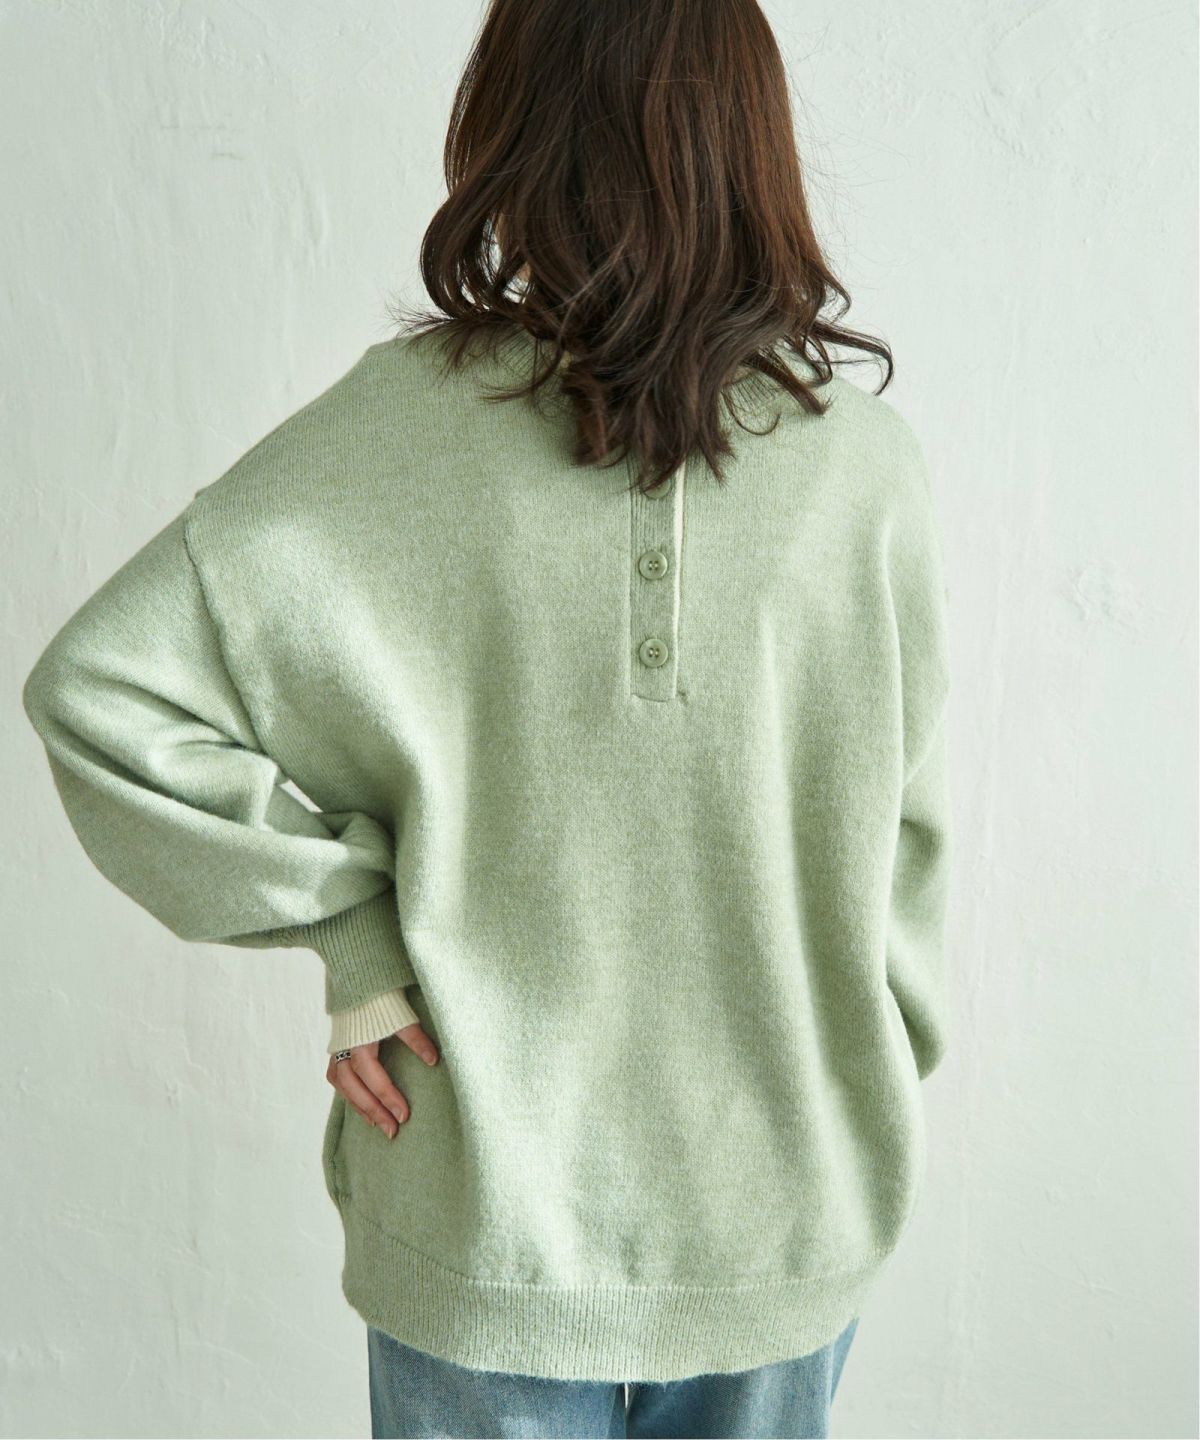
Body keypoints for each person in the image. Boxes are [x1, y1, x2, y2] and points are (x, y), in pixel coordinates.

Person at [20, 1, 953, 1436]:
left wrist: (354, 939)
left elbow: (102, 692)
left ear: (511, 132)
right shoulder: (864, 467)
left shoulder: (406, 425)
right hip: (743, 1202)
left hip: (516, 1208)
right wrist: (869, 1076)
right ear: (749, 144)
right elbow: (910, 854)